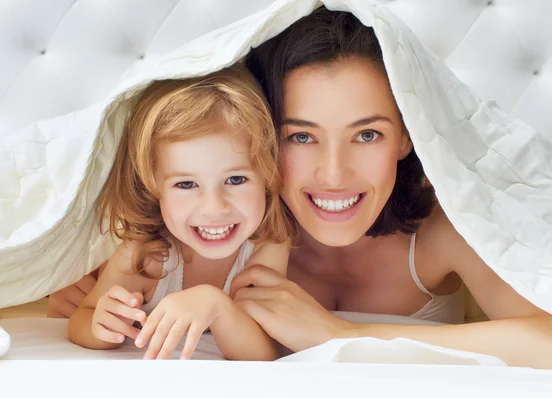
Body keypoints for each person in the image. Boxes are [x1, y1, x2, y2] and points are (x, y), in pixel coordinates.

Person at [226, 6, 552, 369]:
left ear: (407, 136)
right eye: (301, 136)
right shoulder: (226, 222)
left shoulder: (442, 228)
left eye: (367, 135)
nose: (334, 176)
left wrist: (340, 334)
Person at [67, 63, 292, 361]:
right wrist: (101, 326)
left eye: (236, 180)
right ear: (153, 187)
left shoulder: (268, 243)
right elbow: (82, 319)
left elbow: (263, 351)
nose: (214, 208)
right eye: (186, 184)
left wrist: (215, 305)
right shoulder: (147, 253)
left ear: (267, 175)